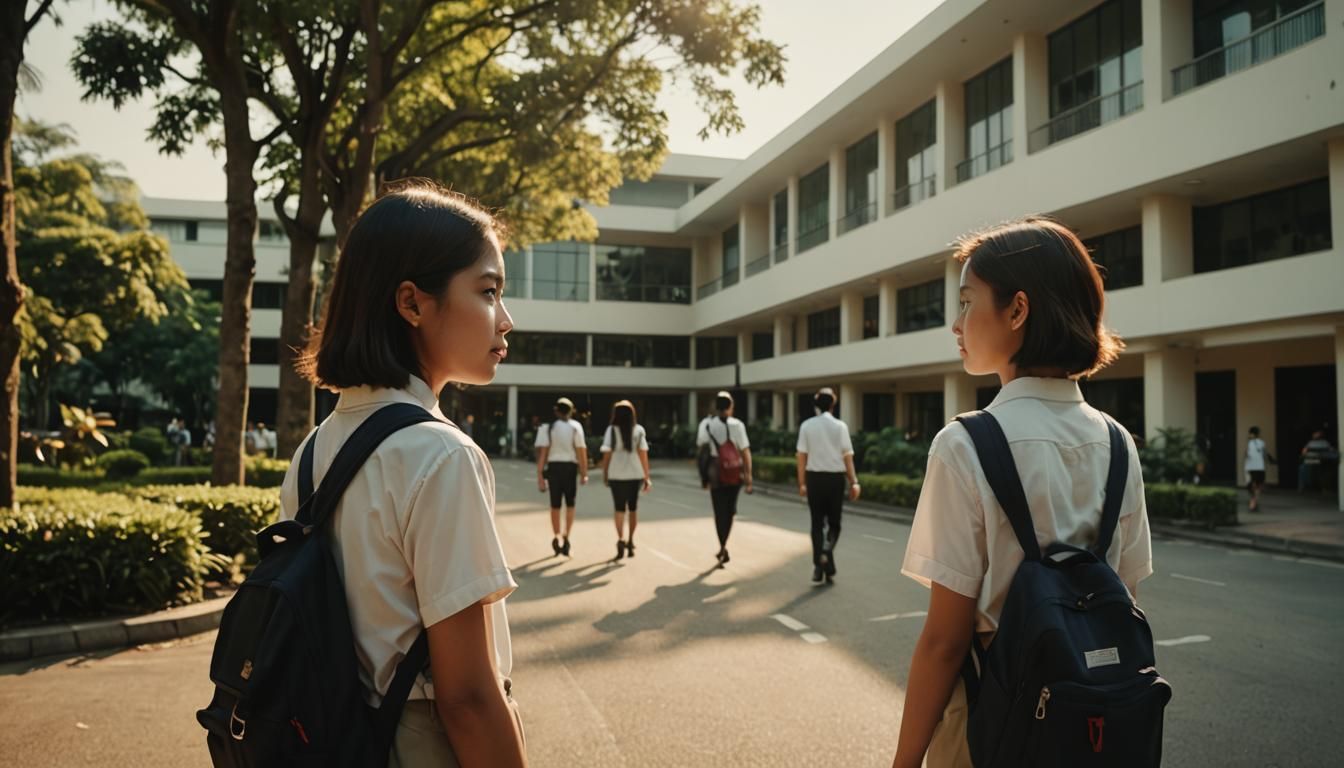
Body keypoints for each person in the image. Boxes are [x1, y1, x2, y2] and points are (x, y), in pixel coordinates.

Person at [892, 217, 1152, 768]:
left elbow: (945, 641)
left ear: (1017, 310)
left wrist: (905, 761)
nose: (955, 324)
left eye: (967, 303)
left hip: (990, 725)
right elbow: (1120, 600)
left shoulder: (964, 445)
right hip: (1093, 726)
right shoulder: (1117, 442)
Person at [283, 182, 526, 767]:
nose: (507, 320)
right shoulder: (441, 456)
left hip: (332, 737)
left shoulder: (313, 451)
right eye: (489, 291)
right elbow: (466, 697)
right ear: (412, 303)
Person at [796, 387, 860, 584]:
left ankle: (819, 566)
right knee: (834, 524)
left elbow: (801, 456)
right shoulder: (840, 426)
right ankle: (825, 554)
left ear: (816, 404)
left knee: (816, 523)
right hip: (835, 481)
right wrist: (854, 481)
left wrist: (802, 483)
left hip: (814, 479)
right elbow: (847, 456)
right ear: (833, 405)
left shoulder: (806, 425)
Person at [696, 391, 753, 567]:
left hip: (715, 471)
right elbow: (745, 451)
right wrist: (749, 476)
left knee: (719, 510)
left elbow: (701, 449)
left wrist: (703, 476)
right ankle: (724, 543)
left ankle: (722, 545)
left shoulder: (707, 425)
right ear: (730, 407)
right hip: (735, 471)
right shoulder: (738, 425)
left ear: (716, 407)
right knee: (730, 510)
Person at [535, 396, 588, 556]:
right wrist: (584, 473)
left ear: (556, 411)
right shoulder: (576, 427)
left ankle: (556, 535)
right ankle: (567, 535)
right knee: (570, 504)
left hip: (554, 468)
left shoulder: (548, 428)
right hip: (570, 468)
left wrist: (540, 476)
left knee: (555, 505)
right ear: (571, 411)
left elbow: (543, 453)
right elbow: (581, 451)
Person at [599, 399, 651, 561]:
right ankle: (630, 540)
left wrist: (605, 473)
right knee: (633, 509)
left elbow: (606, 454)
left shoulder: (611, 430)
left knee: (619, 509)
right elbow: (643, 454)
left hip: (616, 474)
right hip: (635, 474)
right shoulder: (639, 430)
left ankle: (620, 538)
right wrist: (647, 476)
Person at [1244, 425, 1273, 511]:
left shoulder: (1249, 443)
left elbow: (1246, 455)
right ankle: (1254, 502)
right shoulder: (1262, 443)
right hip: (1260, 467)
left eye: (1249, 434)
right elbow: (1265, 454)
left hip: (1250, 467)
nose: (1248, 435)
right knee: (1258, 486)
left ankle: (1252, 502)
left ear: (1252, 434)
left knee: (1251, 485)